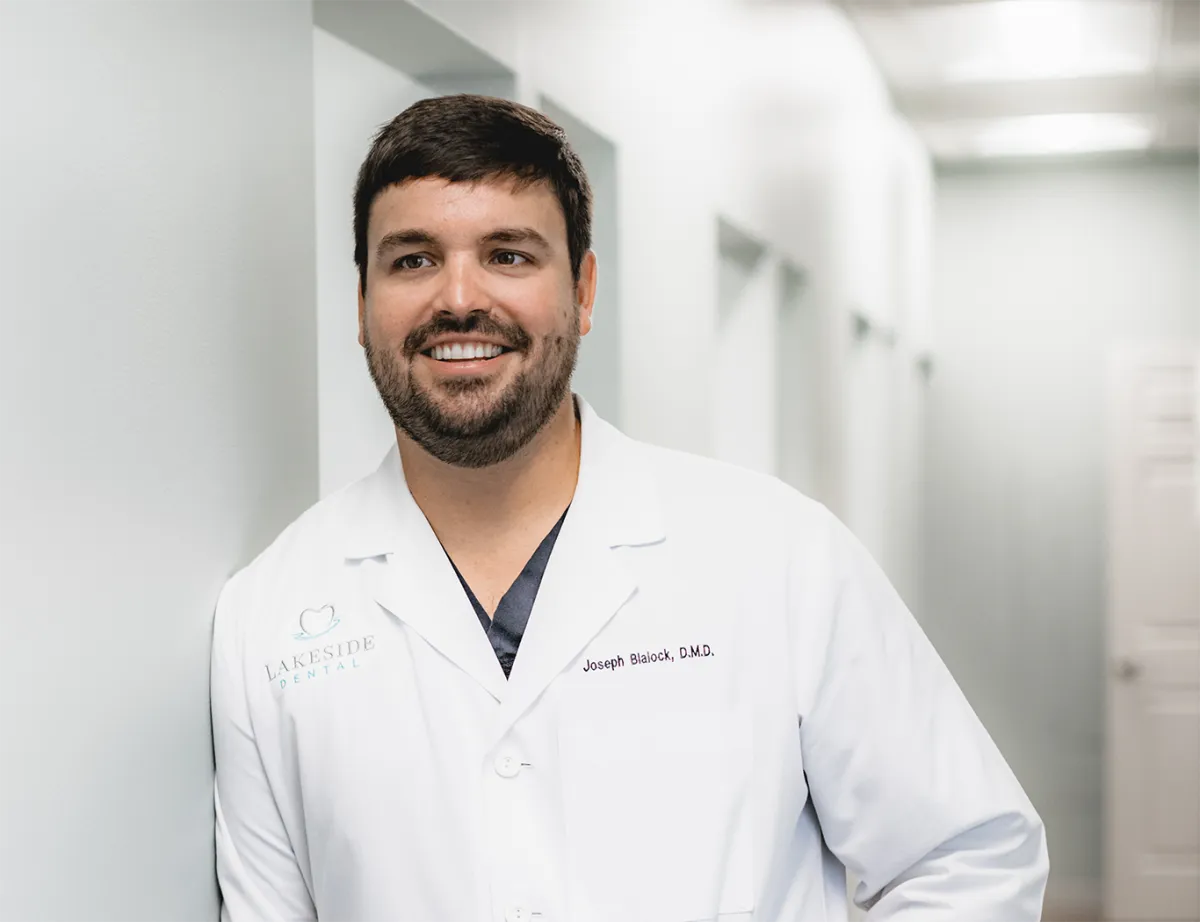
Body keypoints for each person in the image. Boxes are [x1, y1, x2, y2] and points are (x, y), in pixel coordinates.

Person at [211, 94, 1048, 922]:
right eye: (413, 260)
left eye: (508, 255)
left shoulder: (780, 555)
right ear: (361, 304)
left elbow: (968, 860)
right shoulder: (268, 617)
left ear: (582, 291)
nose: (458, 298)